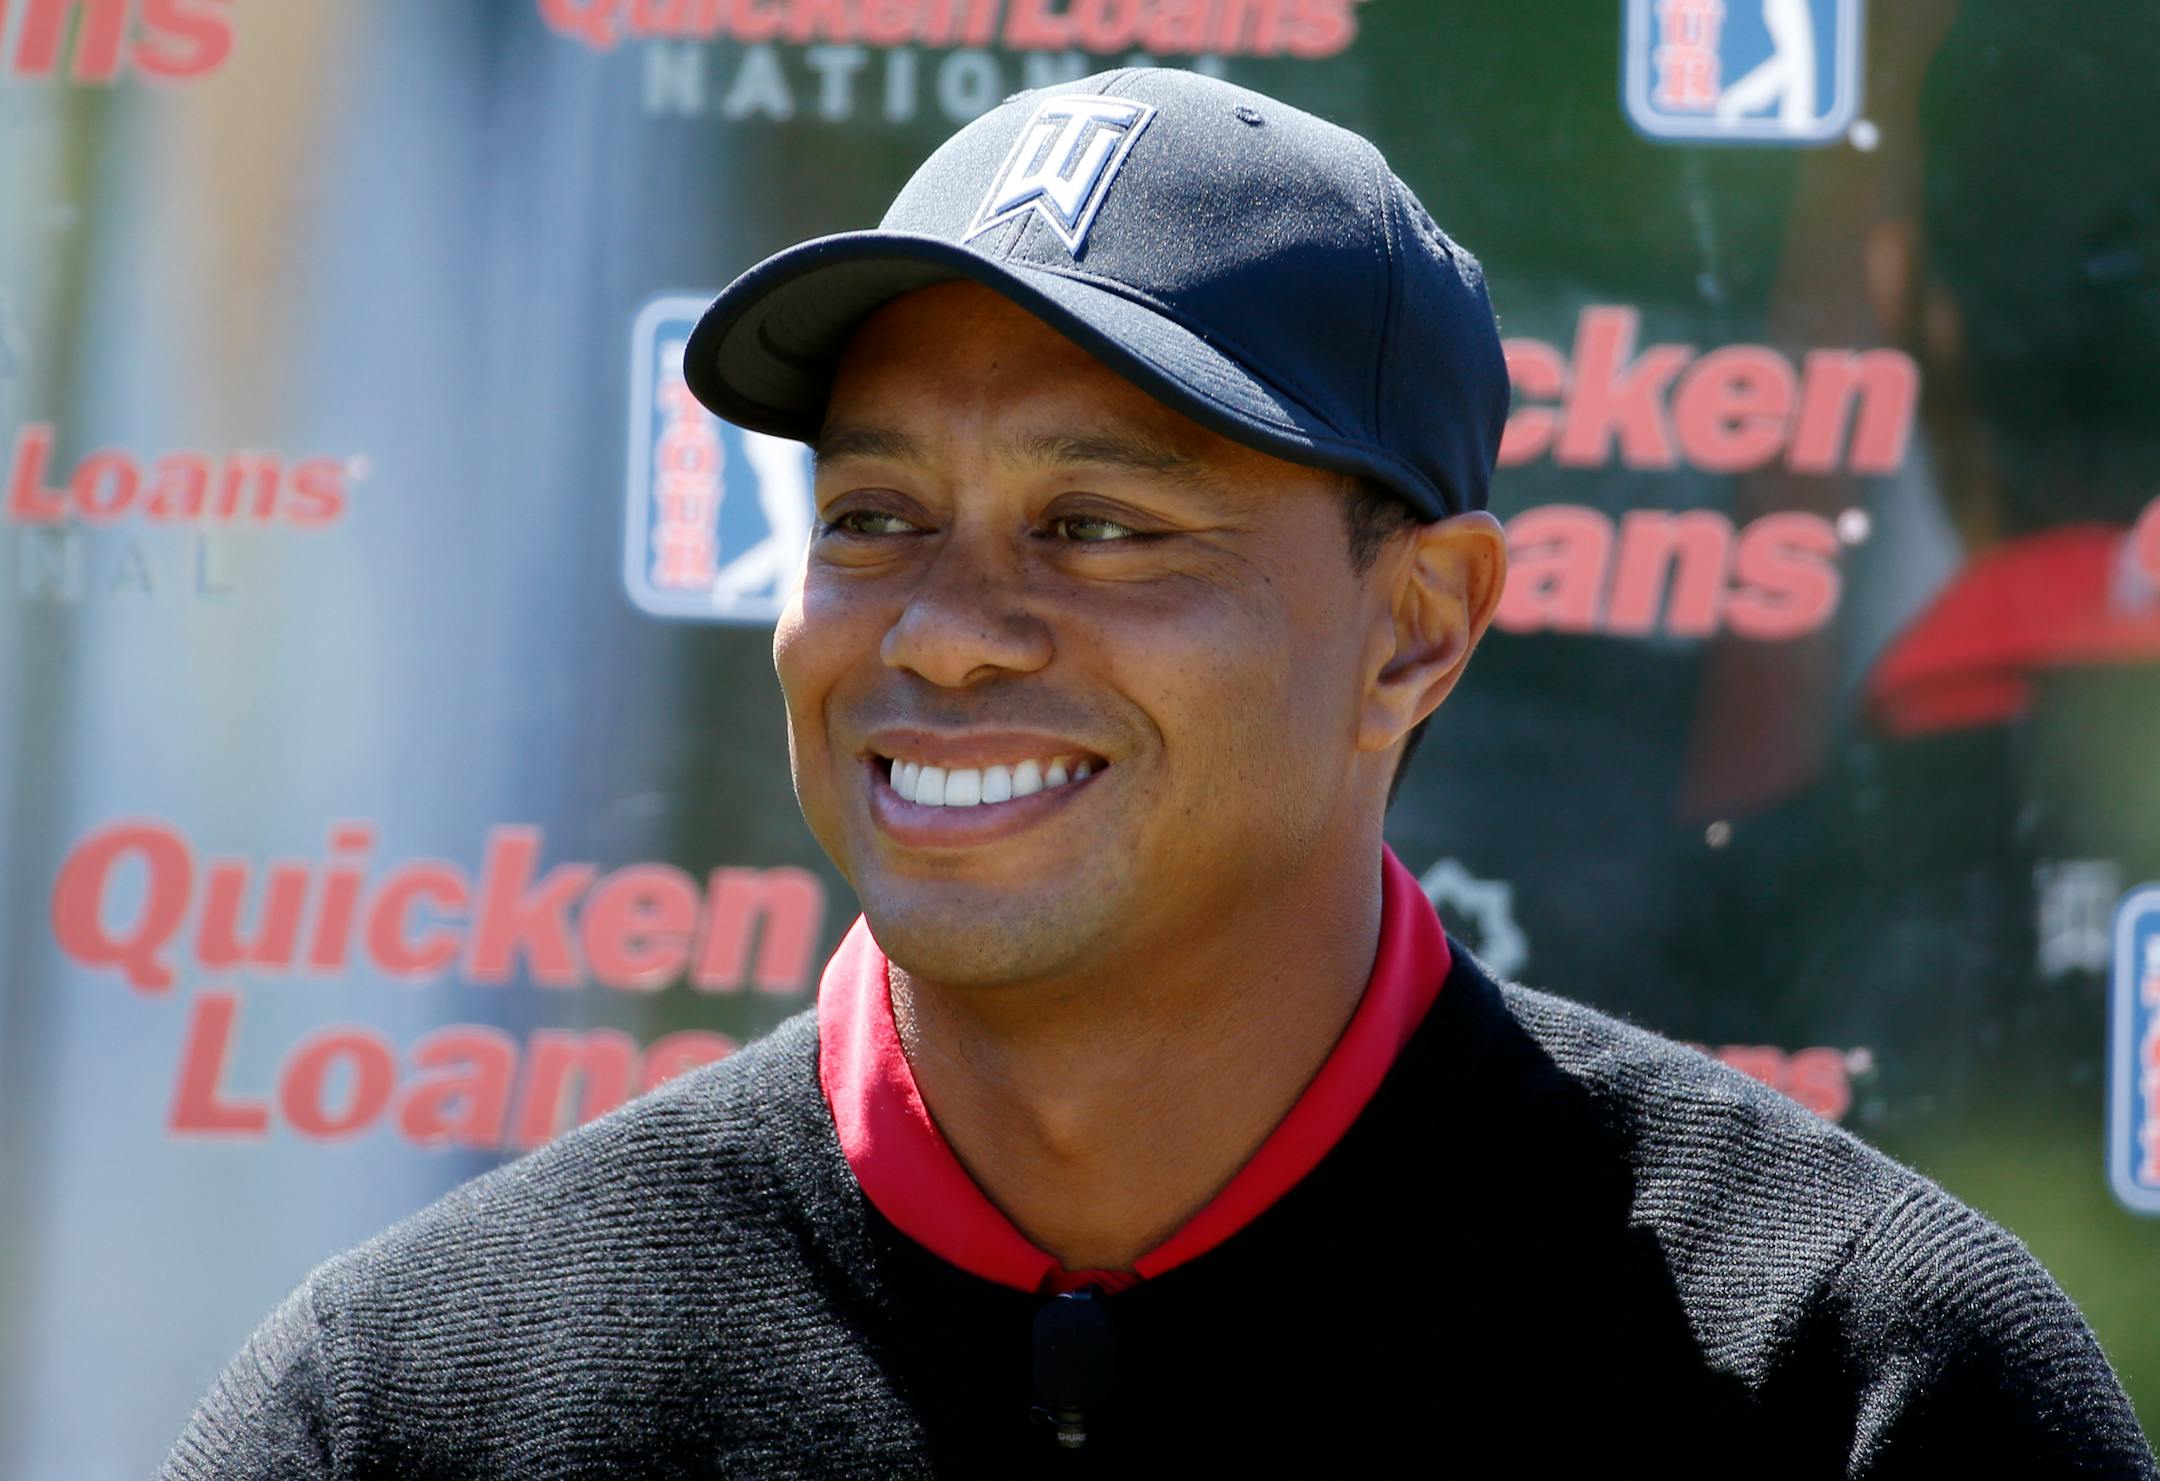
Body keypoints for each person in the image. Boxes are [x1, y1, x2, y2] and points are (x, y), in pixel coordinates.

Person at [164, 69, 2156, 1478]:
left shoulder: (1860, 1390)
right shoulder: (413, 1408)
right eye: (871, 517)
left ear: (1420, 631)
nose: (941, 626)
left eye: (1101, 526)